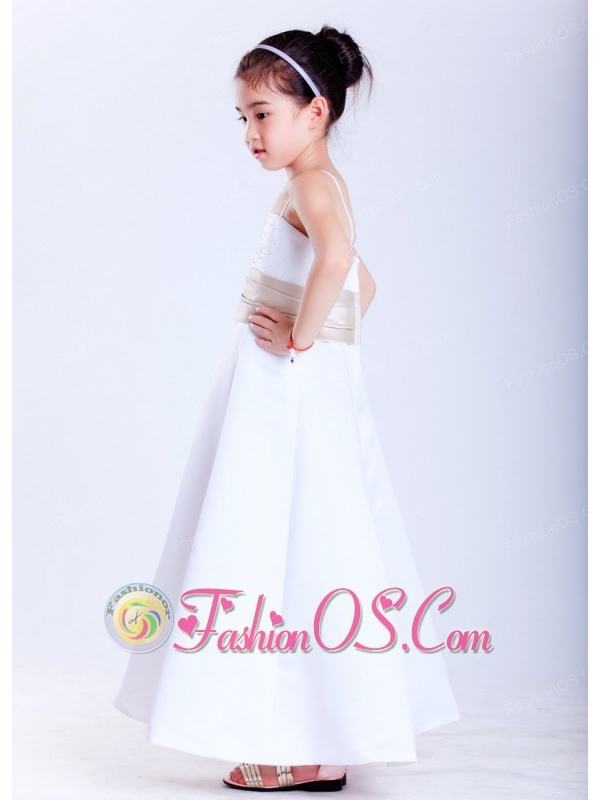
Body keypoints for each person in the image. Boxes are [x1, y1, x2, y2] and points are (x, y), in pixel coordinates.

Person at [113, 24, 460, 793]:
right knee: (308, 543)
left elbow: (336, 262)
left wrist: (299, 339)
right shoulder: (319, 184)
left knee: (289, 541)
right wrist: (319, 338)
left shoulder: (312, 186)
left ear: (317, 112)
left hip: (286, 392)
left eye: (264, 113)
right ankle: (320, 736)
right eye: (243, 117)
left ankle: (308, 748)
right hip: (292, 387)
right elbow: (364, 285)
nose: (251, 132)